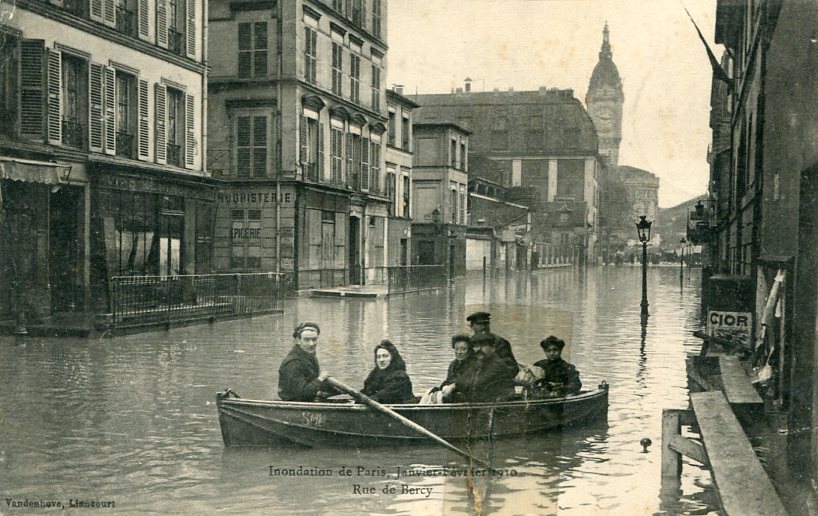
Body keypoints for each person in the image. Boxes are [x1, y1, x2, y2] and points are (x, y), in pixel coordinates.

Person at [441, 333, 517, 403]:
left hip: (502, 406)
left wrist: (453, 386)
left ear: (493, 348)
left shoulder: (496, 364)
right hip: (487, 404)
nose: (479, 349)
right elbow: (464, 378)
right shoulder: (479, 363)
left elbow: (479, 382)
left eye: (483, 345)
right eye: (476, 346)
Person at [278, 322, 331, 401]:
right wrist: (320, 378)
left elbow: (311, 383)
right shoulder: (293, 362)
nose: (311, 344)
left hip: (306, 400)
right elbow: (302, 392)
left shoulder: (309, 356)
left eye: (314, 339)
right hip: (294, 404)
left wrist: (336, 389)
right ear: (298, 340)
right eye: (307, 340)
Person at [466, 311, 519, 377]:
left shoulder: (500, 342)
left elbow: (512, 368)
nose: (483, 327)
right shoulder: (468, 343)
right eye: (479, 324)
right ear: (471, 326)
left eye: (486, 323)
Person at [361, 340, 414, 404]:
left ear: (392, 357)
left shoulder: (400, 376)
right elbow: (367, 392)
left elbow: (384, 396)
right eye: (378, 357)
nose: (381, 360)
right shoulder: (374, 374)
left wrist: (363, 400)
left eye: (385, 356)